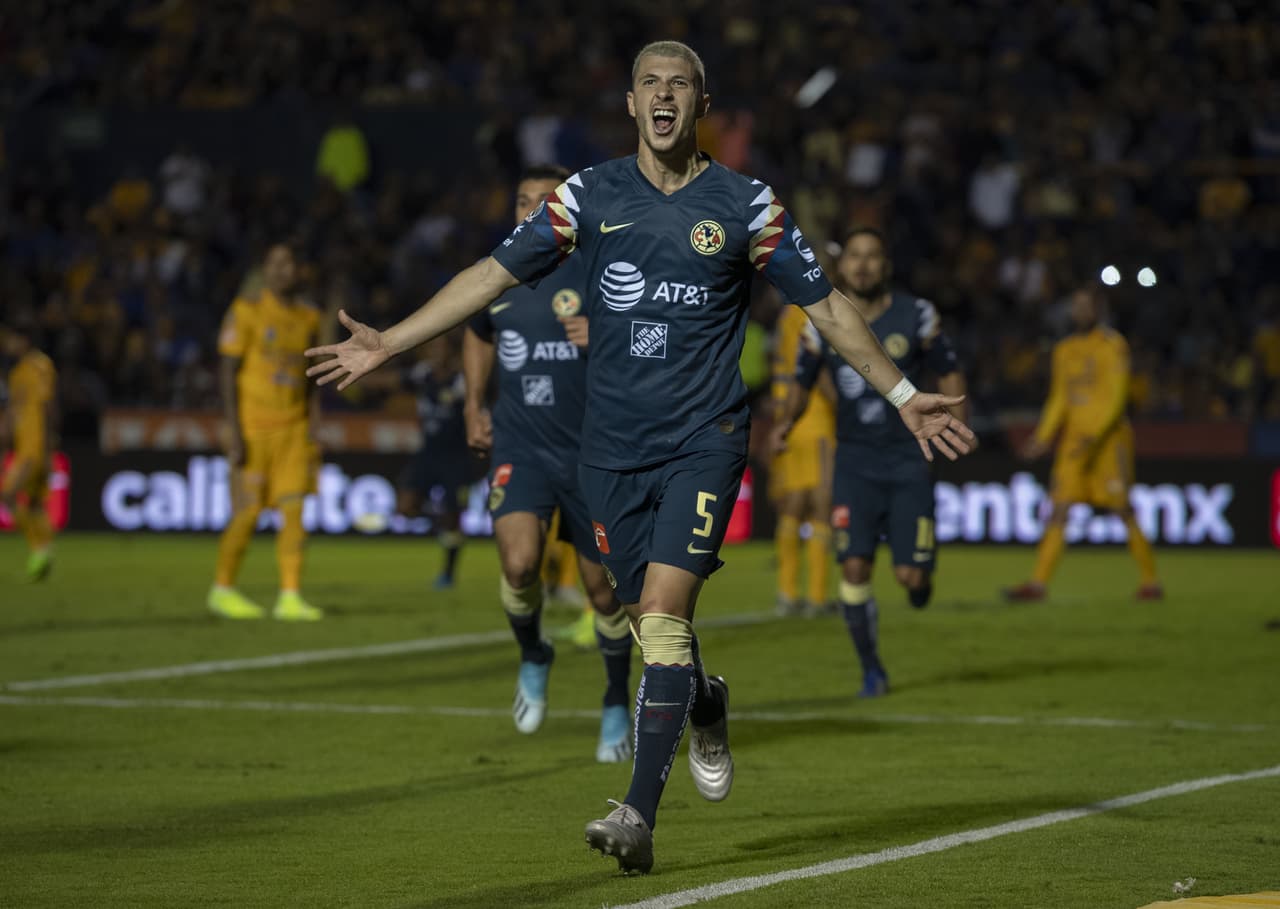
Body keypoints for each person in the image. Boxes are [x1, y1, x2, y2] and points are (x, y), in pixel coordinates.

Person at [306, 40, 974, 874]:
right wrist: (391, 343)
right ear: (629, 104)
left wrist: (906, 396)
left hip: (705, 438)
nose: (664, 96)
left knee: (660, 620)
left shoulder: (748, 204)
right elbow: (491, 274)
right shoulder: (588, 195)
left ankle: (637, 814)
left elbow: (827, 307)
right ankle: (706, 701)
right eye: (649, 84)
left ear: (703, 105)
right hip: (609, 452)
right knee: (650, 627)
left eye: (680, 84)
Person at [462, 164, 633, 762]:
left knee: (604, 595)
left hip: (595, 451)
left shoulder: (603, 267)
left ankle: (616, 699)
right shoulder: (499, 274)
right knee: (518, 563)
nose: (532, 209)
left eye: (546, 200)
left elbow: (654, 336)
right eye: (522, 199)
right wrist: (472, 404)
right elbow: (478, 333)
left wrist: (607, 334)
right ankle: (534, 653)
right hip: (521, 444)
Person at [773, 228, 968, 697]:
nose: (861, 265)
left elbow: (948, 368)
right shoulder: (818, 321)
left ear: (886, 265)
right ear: (842, 267)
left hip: (907, 459)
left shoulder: (916, 314)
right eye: (854, 256)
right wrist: (786, 422)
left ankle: (919, 579)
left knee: (910, 577)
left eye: (872, 256)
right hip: (854, 461)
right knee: (855, 568)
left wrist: (957, 422)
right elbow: (802, 379)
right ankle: (871, 669)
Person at [1004, 285, 1162, 602]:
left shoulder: (1113, 346)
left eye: (1086, 306)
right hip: (1074, 443)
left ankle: (1150, 582)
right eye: (1075, 305)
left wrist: (1095, 434)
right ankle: (1038, 584)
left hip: (1107, 442)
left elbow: (1117, 398)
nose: (1080, 312)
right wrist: (1042, 438)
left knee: (1123, 510)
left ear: (1098, 310)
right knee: (1059, 509)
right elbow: (1059, 399)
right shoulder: (1065, 350)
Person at [207, 244, 323, 621]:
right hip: (253, 429)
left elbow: (312, 381)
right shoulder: (247, 311)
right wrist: (232, 429)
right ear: (265, 271)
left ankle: (290, 595)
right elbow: (227, 371)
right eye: (273, 264)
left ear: (298, 271)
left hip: (293, 430)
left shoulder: (309, 317)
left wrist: (313, 427)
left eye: (288, 263)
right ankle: (222, 589)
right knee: (247, 513)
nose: (281, 271)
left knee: (294, 513)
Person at [769, 302, 837, 617]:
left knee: (794, 501)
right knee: (821, 502)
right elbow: (817, 364)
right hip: (814, 411)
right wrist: (844, 406)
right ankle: (817, 598)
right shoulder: (814, 311)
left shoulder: (787, 314)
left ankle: (787, 593)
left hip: (787, 407)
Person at [396, 333, 478, 589]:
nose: (435, 353)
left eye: (440, 348)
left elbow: (479, 408)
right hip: (427, 453)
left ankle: (448, 573)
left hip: (455, 457)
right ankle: (437, 521)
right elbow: (394, 380)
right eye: (432, 348)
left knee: (454, 518)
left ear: (450, 353)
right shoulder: (422, 374)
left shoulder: (461, 382)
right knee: (405, 507)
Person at [1, 322, 58, 582]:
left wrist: (48, 448)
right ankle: (43, 553)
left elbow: (47, 406)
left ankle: (40, 551)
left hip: (35, 449)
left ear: (24, 339)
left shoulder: (38, 365)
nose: (8, 345)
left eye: (12, 339)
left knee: (8, 494)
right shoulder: (14, 375)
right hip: (25, 447)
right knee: (35, 503)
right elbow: (13, 416)